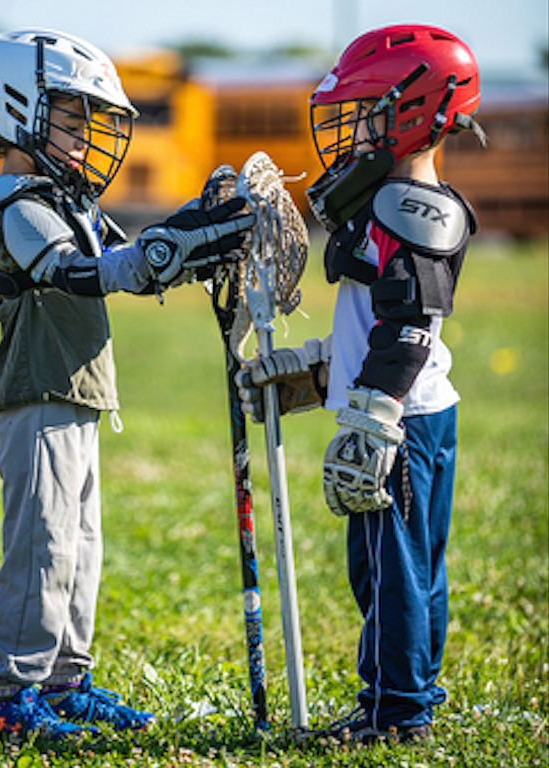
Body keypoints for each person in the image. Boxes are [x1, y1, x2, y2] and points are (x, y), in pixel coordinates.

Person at [0, 28, 255, 740]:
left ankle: (64, 680)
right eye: (70, 117)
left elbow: (128, 259)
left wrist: (194, 236)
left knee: (80, 544)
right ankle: (12, 694)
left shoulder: (64, 200)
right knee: (43, 546)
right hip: (39, 393)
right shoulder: (13, 203)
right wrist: (173, 247)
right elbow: (82, 273)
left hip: (79, 395)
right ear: (16, 106)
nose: (83, 135)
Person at [237, 24, 486, 744]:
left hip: (398, 422)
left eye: (373, 109)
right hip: (422, 413)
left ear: (417, 111)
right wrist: (318, 369)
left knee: (391, 573)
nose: (362, 125)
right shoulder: (392, 199)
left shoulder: (410, 207)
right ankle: (415, 697)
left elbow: (408, 327)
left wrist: (372, 420)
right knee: (413, 568)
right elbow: (377, 323)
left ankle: (395, 711)